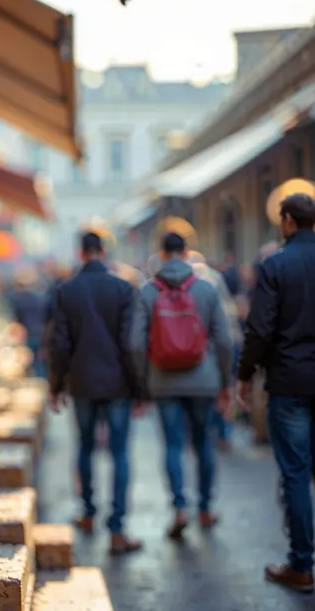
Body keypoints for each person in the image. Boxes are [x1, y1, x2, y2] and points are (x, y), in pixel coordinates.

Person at [130, 233, 233, 539]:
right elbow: (225, 341)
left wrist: (143, 381)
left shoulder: (147, 291)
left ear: (161, 254)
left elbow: (135, 344)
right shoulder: (206, 288)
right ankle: (205, 508)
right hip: (203, 380)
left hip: (163, 381)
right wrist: (224, 381)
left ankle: (178, 508)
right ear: (186, 252)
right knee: (203, 444)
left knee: (173, 445)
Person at [238, 193, 315, 593]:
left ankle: (302, 565)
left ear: (286, 221)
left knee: (297, 475)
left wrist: (244, 374)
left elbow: (260, 329)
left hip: (289, 382)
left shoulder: (275, 265)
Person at [49, 232, 143, 553]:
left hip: (83, 383)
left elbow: (59, 343)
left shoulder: (66, 290)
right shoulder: (123, 288)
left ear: (81, 252)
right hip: (118, 384)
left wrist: (57, 385)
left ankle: (88, 513)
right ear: (103, 252)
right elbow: (131, 344)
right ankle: (117, 530)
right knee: (119, 453)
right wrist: (140, 389)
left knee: (86, 447)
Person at [186, 250, 243, 450]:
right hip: (220, 347)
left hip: (195, 352)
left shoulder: (186, 283)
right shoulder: (215, 279)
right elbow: (229, 315)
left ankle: (202, 433)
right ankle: (224, 434)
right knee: (224, 390)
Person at [9, 268, 47, 378]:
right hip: (40, 333)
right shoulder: (38, 298)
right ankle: (41, 383)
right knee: (39, 362)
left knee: (29, 362)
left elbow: (16, 319)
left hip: (28, 334)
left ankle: (34, 381)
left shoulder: (18, 300)